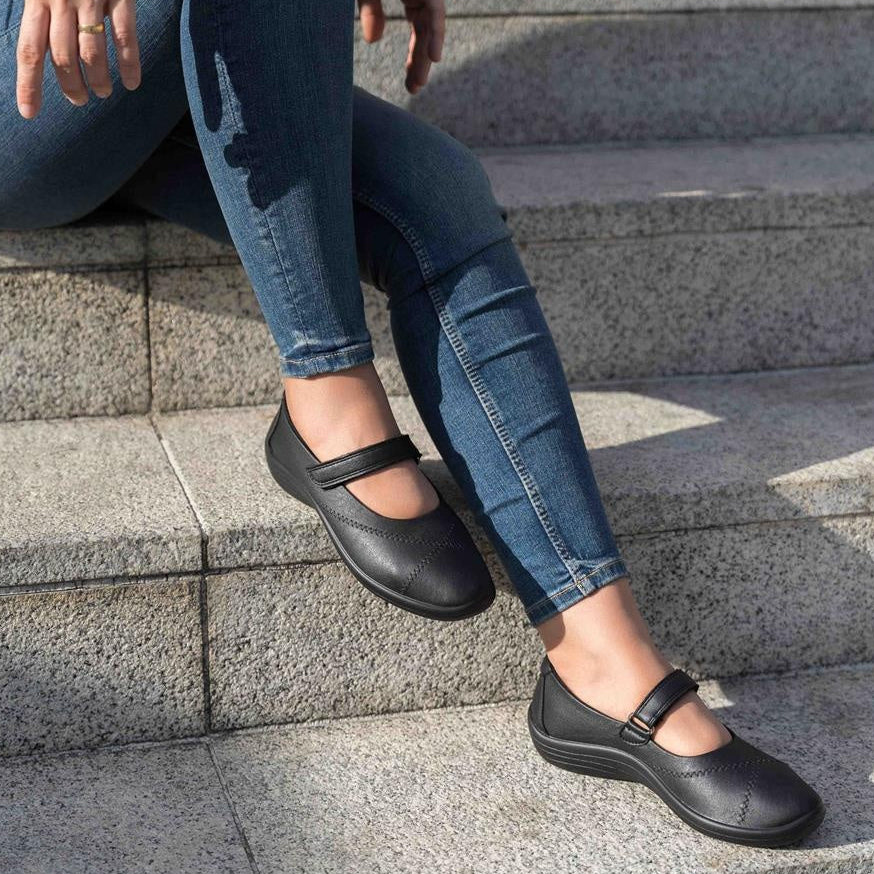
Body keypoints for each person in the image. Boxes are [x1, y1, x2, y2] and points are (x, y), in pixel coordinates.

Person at [0, 0, 824, 846]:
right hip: (23, 92)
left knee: (440, 198)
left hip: (168, 68)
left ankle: (601, 656)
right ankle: (327, 385)